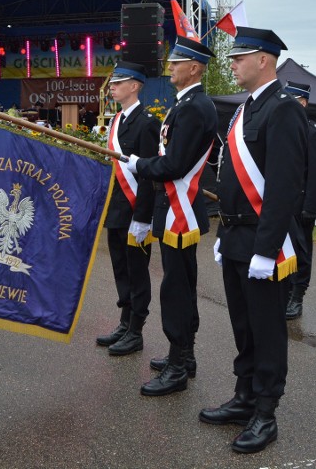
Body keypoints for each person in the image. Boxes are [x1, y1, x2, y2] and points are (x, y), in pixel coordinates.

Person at [200, 27, 307, 454]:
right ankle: (244, 396)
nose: (232, 63)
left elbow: (284, 186)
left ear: (264, 59)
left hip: (264, 241)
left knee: (266, 329)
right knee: (243, 324)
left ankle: (266, 411)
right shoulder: (247, 109)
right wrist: (225, 234)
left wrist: (266, 249)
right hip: (236, 235)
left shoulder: (283, 110)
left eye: (239, 57)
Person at [126, 38, 218, 395]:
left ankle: (179, 365)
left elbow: (175, 164)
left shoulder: (194, 107)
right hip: (177, 210)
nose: (170, 67)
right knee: (180, 286)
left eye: (177, 62)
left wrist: (139, 164)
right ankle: (184, 355)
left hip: (180, 211)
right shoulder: (188, 104)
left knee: (175, 290)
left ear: (194, 67)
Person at [96, 62, 159, 357]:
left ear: (135, 86)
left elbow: (148, 173)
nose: (112, 86)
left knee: (137, 271)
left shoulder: (147, 122)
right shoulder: (116, 120)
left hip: (135, 210)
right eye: (112, 83)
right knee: (120, 267)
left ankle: (136, 330)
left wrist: (143, 218)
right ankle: (124, 321)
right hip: (117, 207)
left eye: (119, 82)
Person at [283, 81, 316, 319]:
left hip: (301, 205)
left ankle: (297, 296)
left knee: (301, 250)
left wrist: (310, 208)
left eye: (290, 99)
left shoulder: (314, 132)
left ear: (302, 102)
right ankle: (285, 291)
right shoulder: (282, 129)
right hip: (283, 204)